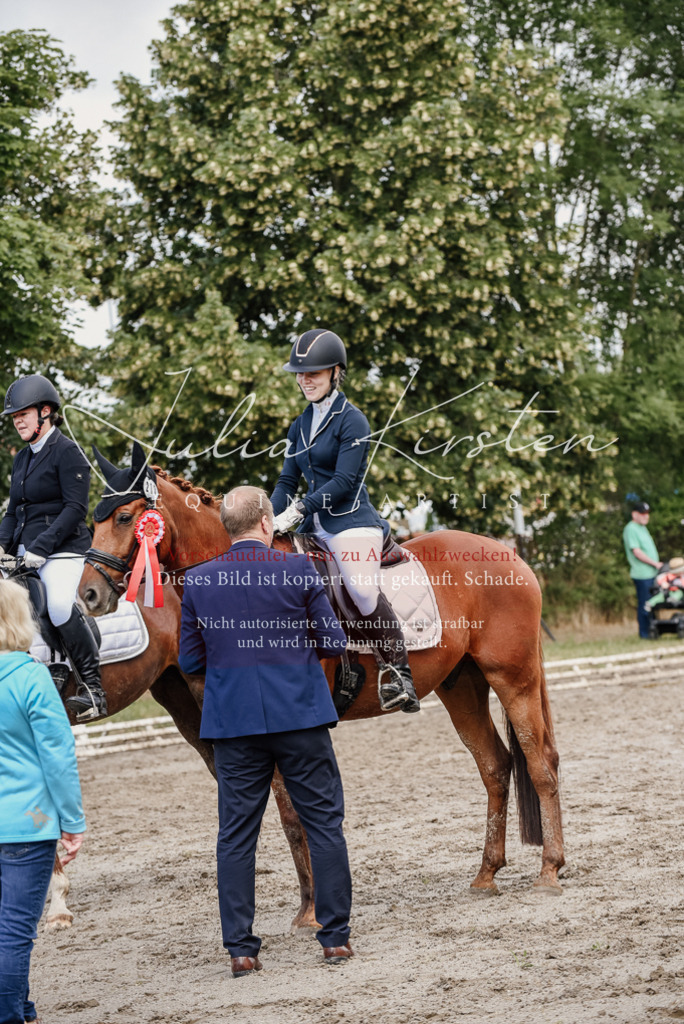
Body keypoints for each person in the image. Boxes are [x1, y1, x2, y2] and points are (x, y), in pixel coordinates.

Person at [179, 486, 354, 977]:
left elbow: (190, 659)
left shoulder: (198, 581)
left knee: (235, 837)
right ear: (265, 523)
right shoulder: (298, 569)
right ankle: (334, 939)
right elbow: (333, 642)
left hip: (233, 726)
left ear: (228, 528)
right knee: (324, 824)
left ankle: (240, 949)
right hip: (299, 717)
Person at [270, 328, 420, 713]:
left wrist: (300, 509)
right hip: (309, 528)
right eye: (300, 374)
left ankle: (397, 672)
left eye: (314, 373)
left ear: (336, 372)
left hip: (351, 523)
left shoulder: (353, 420)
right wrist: (267, 518)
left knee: (361, 589)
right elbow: (287, 480)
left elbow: (344, 481)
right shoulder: (299, 425)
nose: (305, 380)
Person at [0, 578, 86, 1024]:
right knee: (14, 930)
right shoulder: (31, 676)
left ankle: (23, 1006)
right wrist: (71, 821)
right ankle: (9, 1014)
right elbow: (57, 757)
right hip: (26, 819)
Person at [0, 374, 107, 719]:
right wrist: (2, 546)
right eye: (14, 417)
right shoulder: (22, 459)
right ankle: (51, 666)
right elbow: (14, 511)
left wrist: (41, 548)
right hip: (26, 552)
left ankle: (93, 688)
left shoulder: (68, 452)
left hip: (64, 549)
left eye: (23, 414)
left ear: (46, 412)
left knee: (59, 605)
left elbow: (75, 509)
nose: (17, 421)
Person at [622, 501, 663, 639]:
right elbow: (637, 552)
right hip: (642, 574)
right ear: (634, 514)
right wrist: (655, 563)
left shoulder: (643, 528)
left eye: (647, 513)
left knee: (653, 603)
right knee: (645, 604)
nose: (646, 516)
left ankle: (653, 631)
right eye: (642, 513)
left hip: (652, 573)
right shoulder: (631, 528)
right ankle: (645, 634)